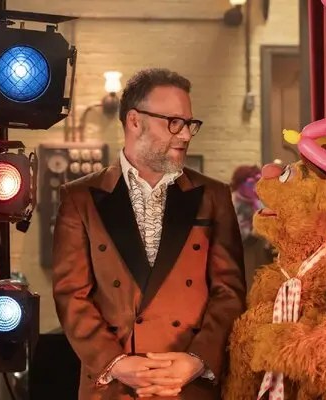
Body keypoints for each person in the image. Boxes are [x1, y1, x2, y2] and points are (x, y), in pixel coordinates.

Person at [52, 68, 246, 400]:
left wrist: (197, 360)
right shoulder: (80, 198)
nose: (185, 135)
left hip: (189, 386)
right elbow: (71, 295)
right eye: (174, 123)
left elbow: (229, 292)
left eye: (190, 124)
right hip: (114, 387)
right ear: (135, 121)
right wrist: (116, 363)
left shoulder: (213, 196)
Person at [229, 166, 274, 290]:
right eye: (250, 183)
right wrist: (255, 232)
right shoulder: (232, 203)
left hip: (260, 254)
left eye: (258, 182)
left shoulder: (257, 202)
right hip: (242, 257)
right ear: (240, 184)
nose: (254, 187)